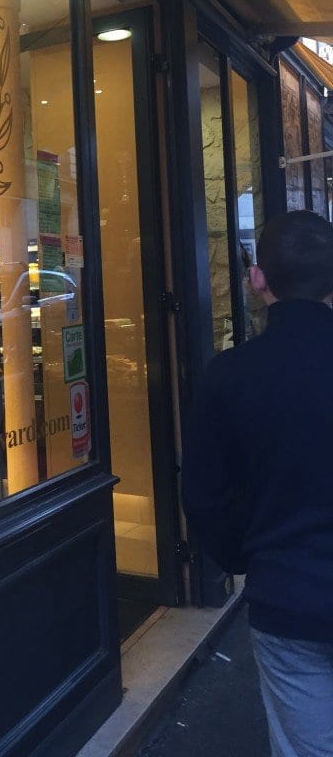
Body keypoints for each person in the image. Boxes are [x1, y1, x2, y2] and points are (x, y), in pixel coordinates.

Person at [183, 210, 333, 757]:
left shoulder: (231, 375)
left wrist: (245, 557)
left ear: (257, 277)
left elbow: (204, 496)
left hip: (286, 595)